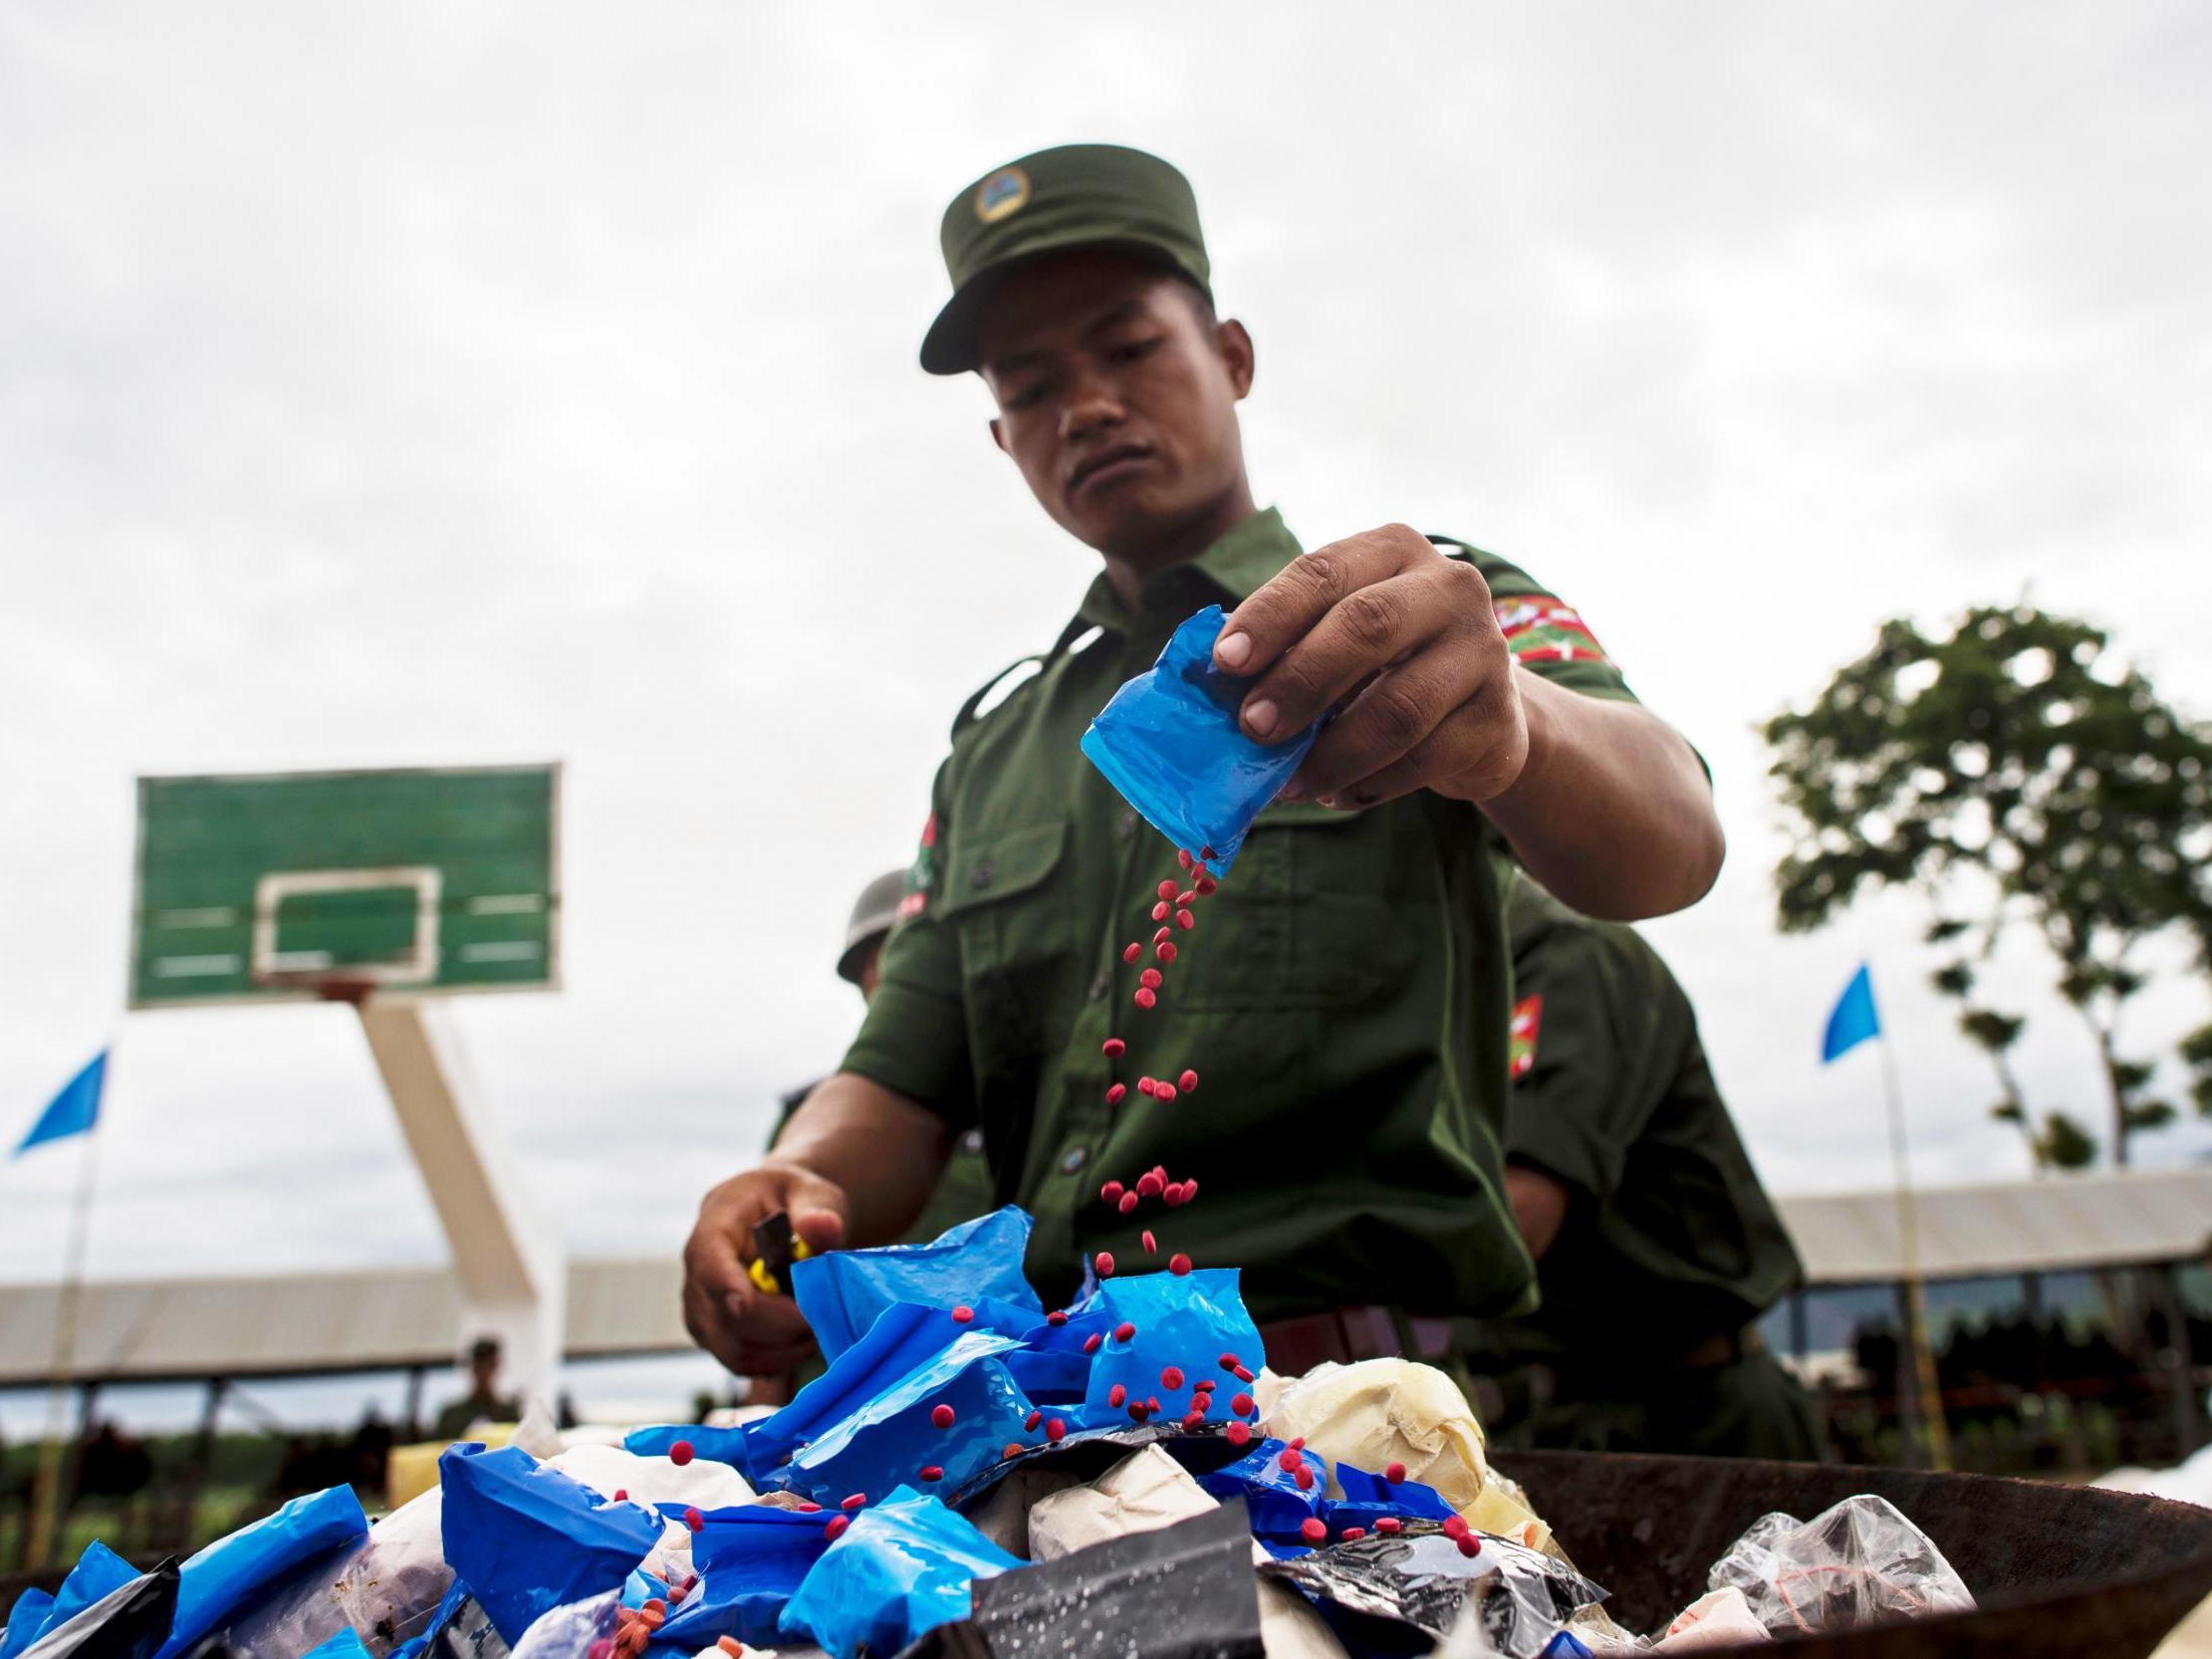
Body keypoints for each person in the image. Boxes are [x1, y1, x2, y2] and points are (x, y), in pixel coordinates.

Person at [684, 143, 1724, 1382]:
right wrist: (794, 1177)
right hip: (1061, 1413)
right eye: (1032, 387)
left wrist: (1516, 728)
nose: (1086, 408)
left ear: (1231, 356)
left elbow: (1675, 841)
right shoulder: (995, 752)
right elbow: (899, 1079)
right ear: (1001, 437)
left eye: (1129, 348)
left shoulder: (1424, 613)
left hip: (1351, 1420)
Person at [1469, 878, 1820, 1458]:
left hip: (1693, 1426)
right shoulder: (1464, 978)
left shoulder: (1565, 953)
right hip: (1581, 1415)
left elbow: (1520, 1214)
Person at [431, 1336, 520, 1441]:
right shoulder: (451, 1416)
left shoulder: (508, 1414)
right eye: (480, 1365)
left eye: (489, 1365)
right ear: (472, 1367)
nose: (484, 1371)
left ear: (496, 1367)